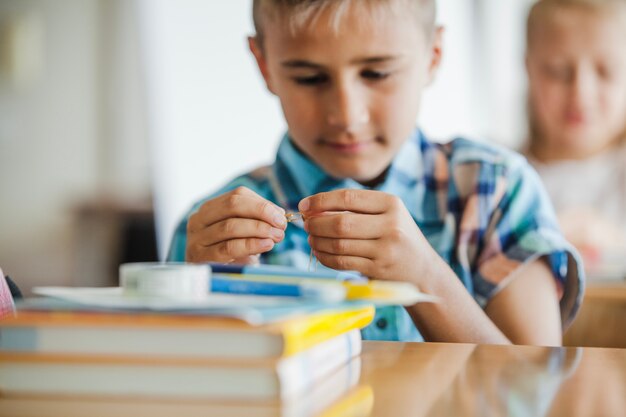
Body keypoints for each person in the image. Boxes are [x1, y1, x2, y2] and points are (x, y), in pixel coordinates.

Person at [169, 0, 583, 345]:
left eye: (377, 73)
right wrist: (206, 296)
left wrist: (425, 277)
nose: (347, 115)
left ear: (433, 55)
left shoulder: (496, 192)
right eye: (310, 78)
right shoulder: (212, 233)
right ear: (264, 66)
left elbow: (536, 388)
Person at [524, 0, 626, 273]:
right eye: (558, 71)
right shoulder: (499, 174)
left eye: (605, 72)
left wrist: (614, 247)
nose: (581, 94)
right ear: (529, 69)